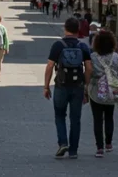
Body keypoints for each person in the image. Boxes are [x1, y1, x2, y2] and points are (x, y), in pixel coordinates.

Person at [43, 17, 93, 160]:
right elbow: (89, 68)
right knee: (75, 119)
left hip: (61, 86)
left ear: (65, 28)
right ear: (78, 30)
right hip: (78, 87)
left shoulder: (58, 45)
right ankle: (73, 151)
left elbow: (50, 66)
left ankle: (63, 143)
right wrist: (86, 86)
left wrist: (46, 86)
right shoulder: (83, 46)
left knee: (59, 115)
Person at [87, 30, 118, 158]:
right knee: (109, 116)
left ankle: (99, 147)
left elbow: (89, 72)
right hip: (111, 90)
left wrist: (86, 86)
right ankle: (109, 143)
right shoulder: (116, 57)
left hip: (96, 89)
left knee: (97, 119)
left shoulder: (93, 57)